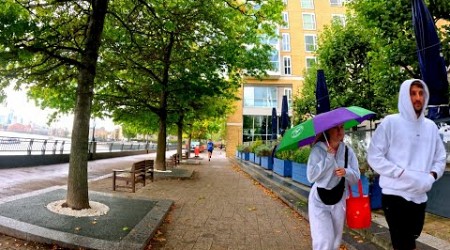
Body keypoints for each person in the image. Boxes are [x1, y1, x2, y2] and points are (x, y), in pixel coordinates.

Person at [367, 79, 446, 250]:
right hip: (395, 193)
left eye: (420, 93)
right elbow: (374, 156)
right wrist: (400, 173)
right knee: (404, 244)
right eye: (413, 93)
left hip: (420, 194)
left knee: (412, 237)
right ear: (404, 96)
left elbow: (440, 158)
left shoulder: (430, 127)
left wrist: (431, 176)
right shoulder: (391, 122)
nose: (418, 98)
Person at [307, 124, 360, 250]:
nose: (339, 131)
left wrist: (346, 172)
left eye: (341, 127)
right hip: (318, 199)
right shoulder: (318, 150)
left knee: (335, 240)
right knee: (324, 239)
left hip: (339, 199)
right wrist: (328, 158)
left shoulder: (348, 151)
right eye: (336, 128)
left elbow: (356, 176)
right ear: (328, 130)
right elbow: (311, 176)